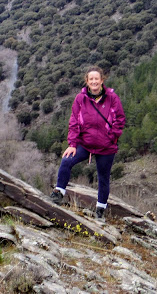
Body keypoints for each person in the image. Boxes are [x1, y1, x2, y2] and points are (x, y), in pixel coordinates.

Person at [50, 66, 126, 220]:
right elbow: (74, 122)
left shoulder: (112, 97)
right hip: (85, 144)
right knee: (66, 161)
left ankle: (100, 209)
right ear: (87, 81)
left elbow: (120, 119)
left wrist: (111, 137)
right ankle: (59, 193)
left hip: (106, 147)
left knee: (103, 178)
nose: (94, 82)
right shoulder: (80, 98)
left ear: (102, 80)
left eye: (96, 79)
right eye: (91, 79)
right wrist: (72, 144)